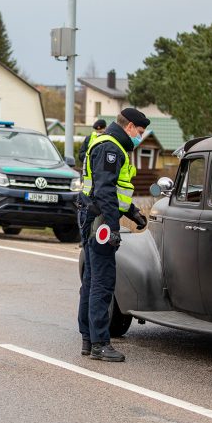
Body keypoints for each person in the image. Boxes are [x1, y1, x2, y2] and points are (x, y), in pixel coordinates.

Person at [75, 108, 149, 362]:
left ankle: (88, 339)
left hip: (92, 216)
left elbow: (112, 191)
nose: (140, 138)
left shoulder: (106, 143)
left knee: (92, 281)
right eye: (139, 132)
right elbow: (105, 191)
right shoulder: (112, 149)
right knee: (103, 282)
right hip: (101, 221)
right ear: (129, 127)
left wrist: (133, 212)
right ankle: (100, 344)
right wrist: (114, 227)